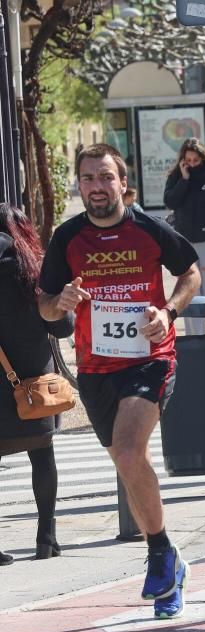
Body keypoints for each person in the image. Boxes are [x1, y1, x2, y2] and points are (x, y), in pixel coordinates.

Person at [38, 143, 201, 618]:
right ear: (80, 185)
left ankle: (157, 553)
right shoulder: (68, 238)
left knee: (130, 451)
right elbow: (45, 305)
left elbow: (190, 273)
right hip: (94, 369)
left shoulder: (148, 228)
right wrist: (61, 301)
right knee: (128, 464)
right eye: (88, 178)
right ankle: (171, 568)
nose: (97, 187)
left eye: (106, 177)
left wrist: (168, 313)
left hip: (150, 358)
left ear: (122, 183)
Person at [0, 205, 74, 564]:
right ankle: (47, 537)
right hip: (34, 383)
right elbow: (62, 326)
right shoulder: (34, 267)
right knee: (42, 456)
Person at [163, 138, 205, 335]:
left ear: (202, 158)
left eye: (195, 160)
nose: (191, 164)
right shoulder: (176, 176)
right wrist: (184, 178)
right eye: (187, 160)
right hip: (185, 241)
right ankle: (195, 337)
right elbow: (170, 201)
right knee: (190, 291)